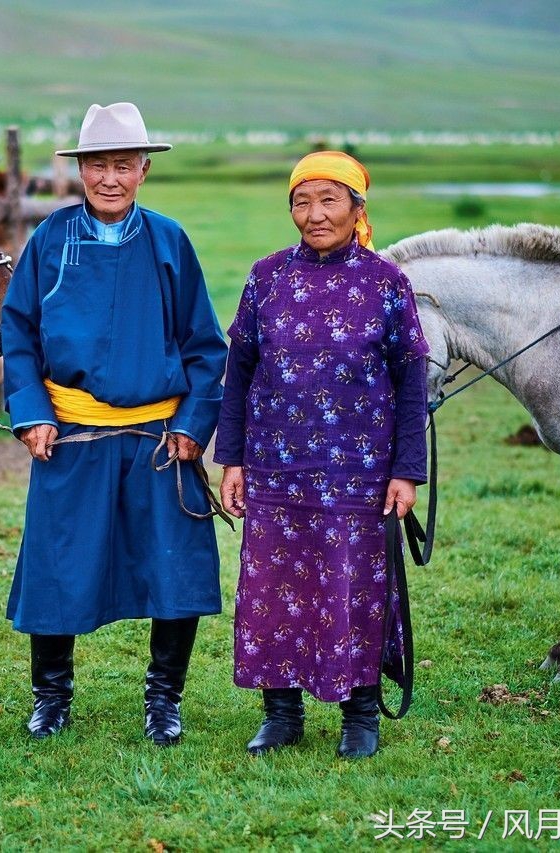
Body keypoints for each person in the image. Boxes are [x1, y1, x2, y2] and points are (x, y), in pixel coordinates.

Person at [1, 102, 228, 747]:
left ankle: (164, 701)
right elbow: (18, 332)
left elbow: (205, 346)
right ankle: (52, 697)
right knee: (58, 563)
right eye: (97, 165)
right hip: (71, 438)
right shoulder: (50, 240)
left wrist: (192, 423)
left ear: (143, 170)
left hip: (159, 441)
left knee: (173, 569)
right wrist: (32, 412)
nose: (109, 178)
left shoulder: (168, 242)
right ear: (80, 171)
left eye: (122, 165)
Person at [214, 151, 429, 759]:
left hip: (358, 474)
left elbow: (411, 379)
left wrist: (407, 472)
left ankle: (361, 717)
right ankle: (281, 715)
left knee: (354, 588)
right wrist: (232, 459)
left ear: (358, 208)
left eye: (330, 200)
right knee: (272, 588)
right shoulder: (267, 276)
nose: (315, 215)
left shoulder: (386, 282)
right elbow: (240, 373)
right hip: (274, 466)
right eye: (302, 202)